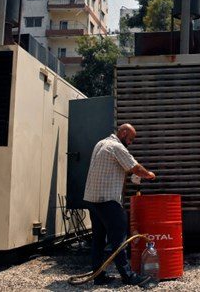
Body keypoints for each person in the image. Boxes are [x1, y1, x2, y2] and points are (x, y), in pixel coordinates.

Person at [83, 123, 156, 286]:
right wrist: (149, 175)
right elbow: (135, 168)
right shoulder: (116, 147)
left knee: (98, 239)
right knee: (119, 238)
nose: (130, 143)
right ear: (123, 133)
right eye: (130, 139)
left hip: (92, 199)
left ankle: (98, 276)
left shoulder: (101, 143)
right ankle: (128, 276)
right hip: (107, 199)